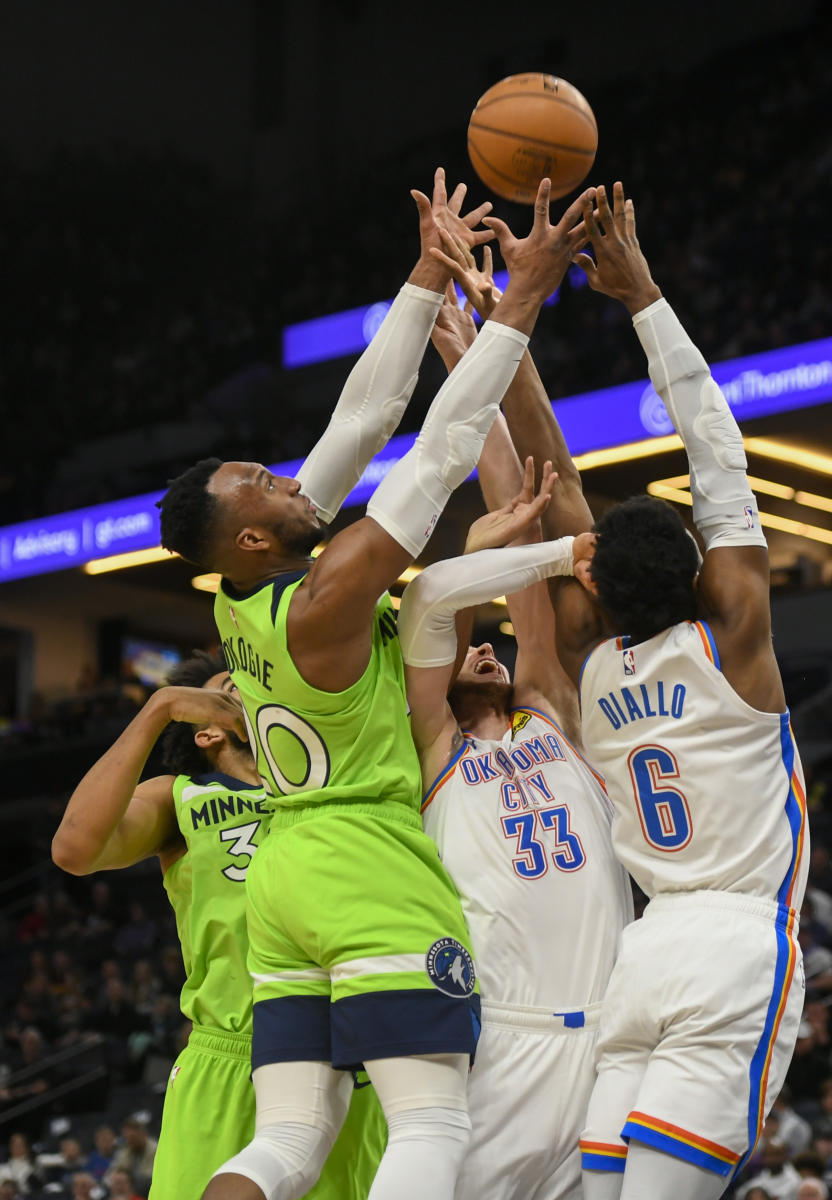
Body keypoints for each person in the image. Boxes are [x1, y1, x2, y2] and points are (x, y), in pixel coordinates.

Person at [157, 171, 593, 1200]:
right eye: (265, 485)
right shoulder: (330, 596)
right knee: (432, 1128)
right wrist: (519, 300)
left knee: (289, 1147)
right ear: (255, 536)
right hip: (364, 864)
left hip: (284, 879)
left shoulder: (243, 595)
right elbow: (436, 449)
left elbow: (364, 411)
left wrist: (424, 273)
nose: (289, 479)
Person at [425, 181, 809, 1200]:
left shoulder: (585, 669)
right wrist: (642, 296)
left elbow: (546, 488)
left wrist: (511, 330)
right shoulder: (734, 640)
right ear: (697, 569)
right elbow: (716, 451)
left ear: (590, 577)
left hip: (637, 963)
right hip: (731, 944)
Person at [400, 281, 631, 1199]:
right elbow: (441, 599)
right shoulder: (428, 749)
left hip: (616, 1039)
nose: (493, 648)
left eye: (497, 644)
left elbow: (523, 513)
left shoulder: (549, 710)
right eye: (474, 647)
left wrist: (481, 367)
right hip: (507, 1039)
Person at [51, 652, 384, 1199]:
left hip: (349, 1055)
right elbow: (73, 848)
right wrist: (158, 708)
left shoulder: (345, 788)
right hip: (232, 1058)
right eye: (234, 685)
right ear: (206, 732)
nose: (258, 686)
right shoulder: (181, 795)